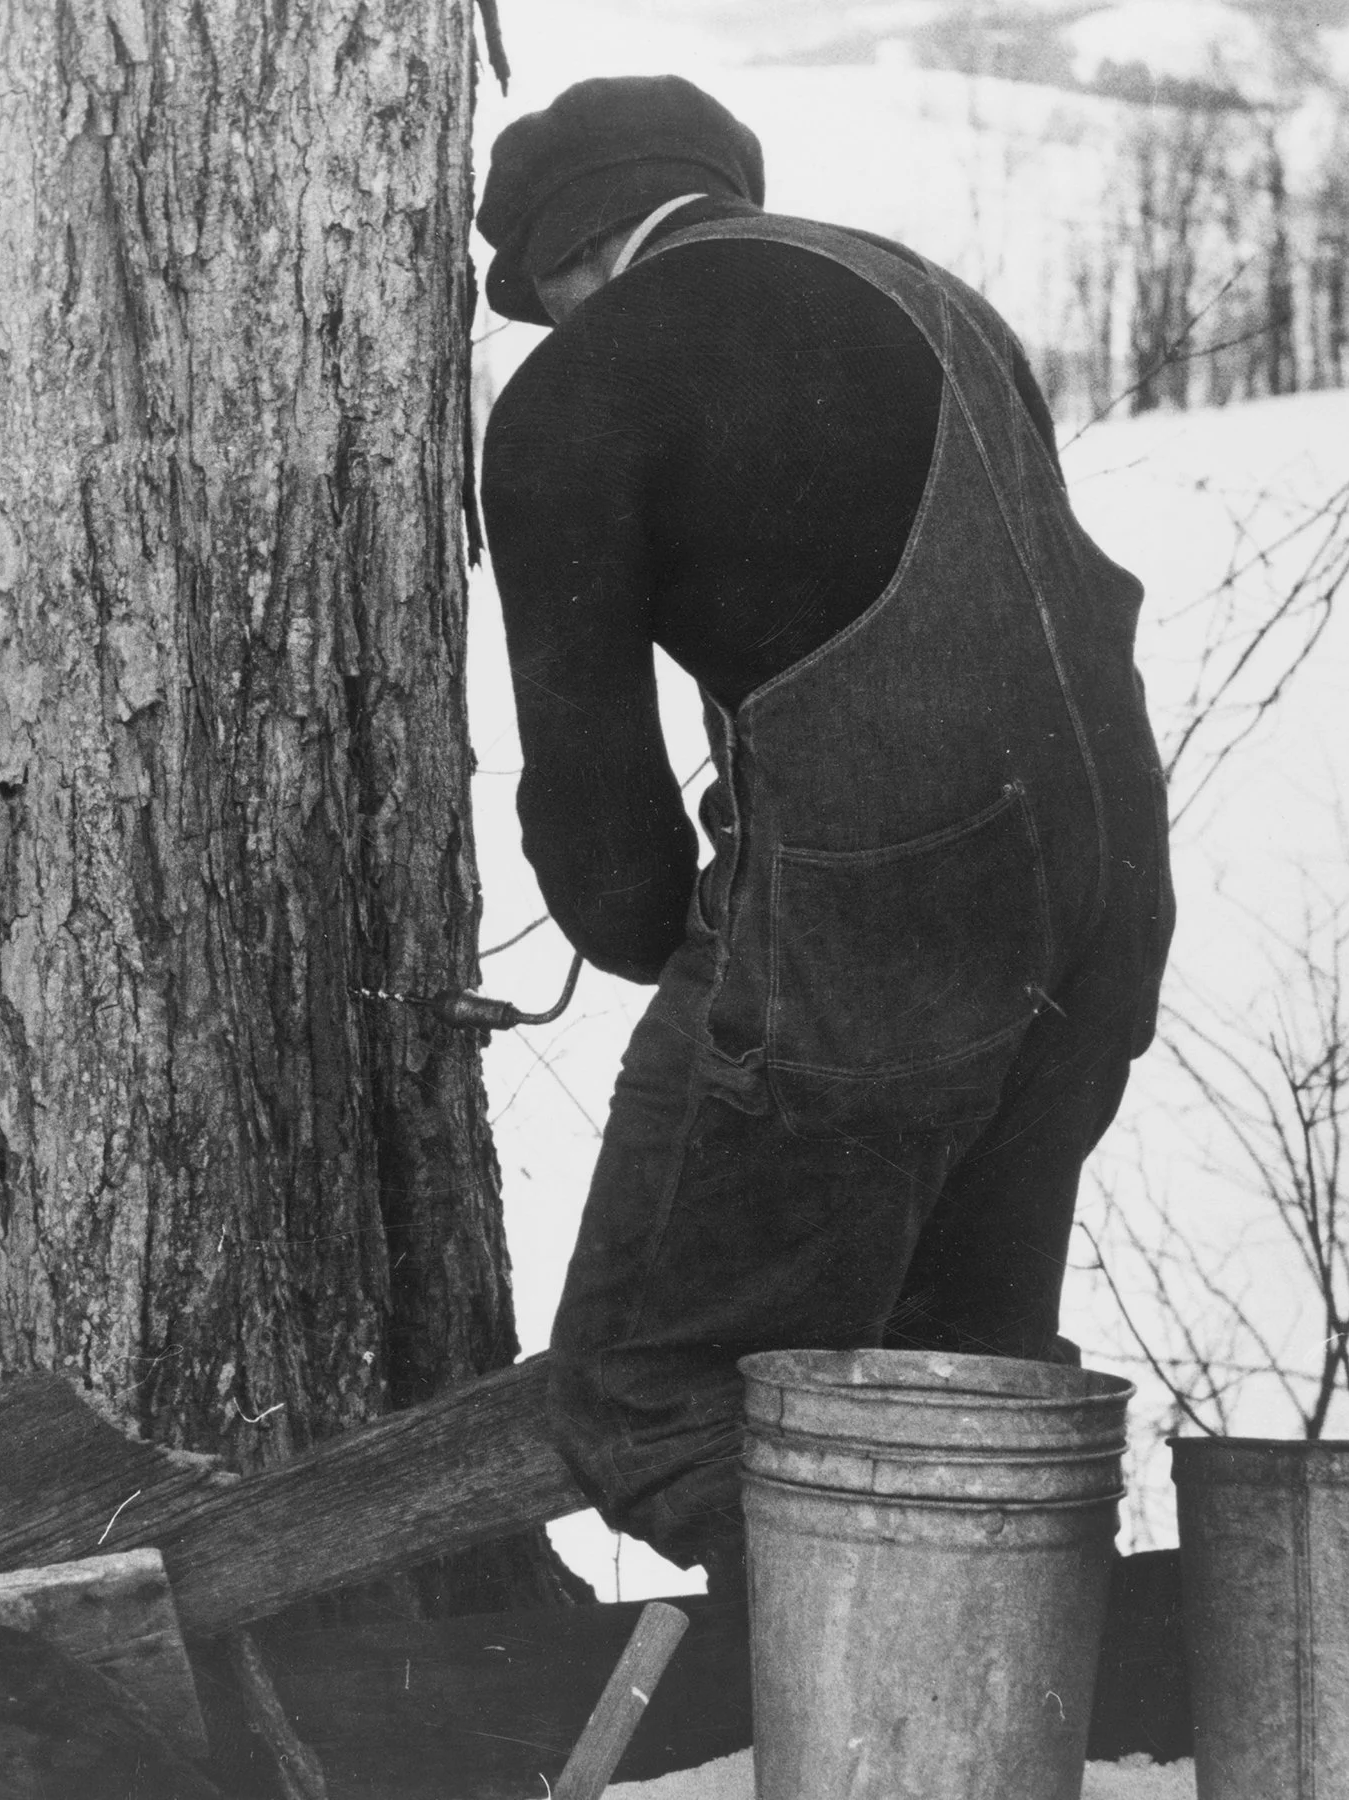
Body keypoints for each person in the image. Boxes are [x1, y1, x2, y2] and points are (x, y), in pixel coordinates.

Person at [474, 75, 1175, 1586]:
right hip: (1096, 940)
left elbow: (598, 826)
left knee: (662, 1398)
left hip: (863, 954)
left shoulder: (580, 388)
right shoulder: (925, 292)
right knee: (964, 1383)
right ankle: (1007, 1708)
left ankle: (856, 1716)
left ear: (559, 261)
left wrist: (684, 958)